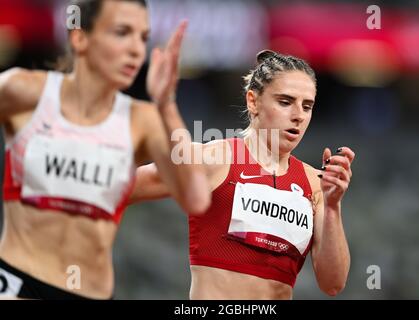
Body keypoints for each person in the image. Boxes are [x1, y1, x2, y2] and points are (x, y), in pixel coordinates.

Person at [0, 0, 209, 300]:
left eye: (143, 37)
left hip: (93, 292)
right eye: (122, 32)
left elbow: (196, 197)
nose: (137, 50)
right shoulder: (23, 91)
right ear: (80, 37)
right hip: (19, 283)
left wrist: (167, 106)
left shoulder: (143, 120)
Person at [129, 50, 356, 299]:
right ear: (253, 101)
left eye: (307, 106)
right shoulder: (213, 159)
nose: (298, 115)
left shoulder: (316, 184)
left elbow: (332, 283)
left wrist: (333, 206)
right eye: (285, 102)